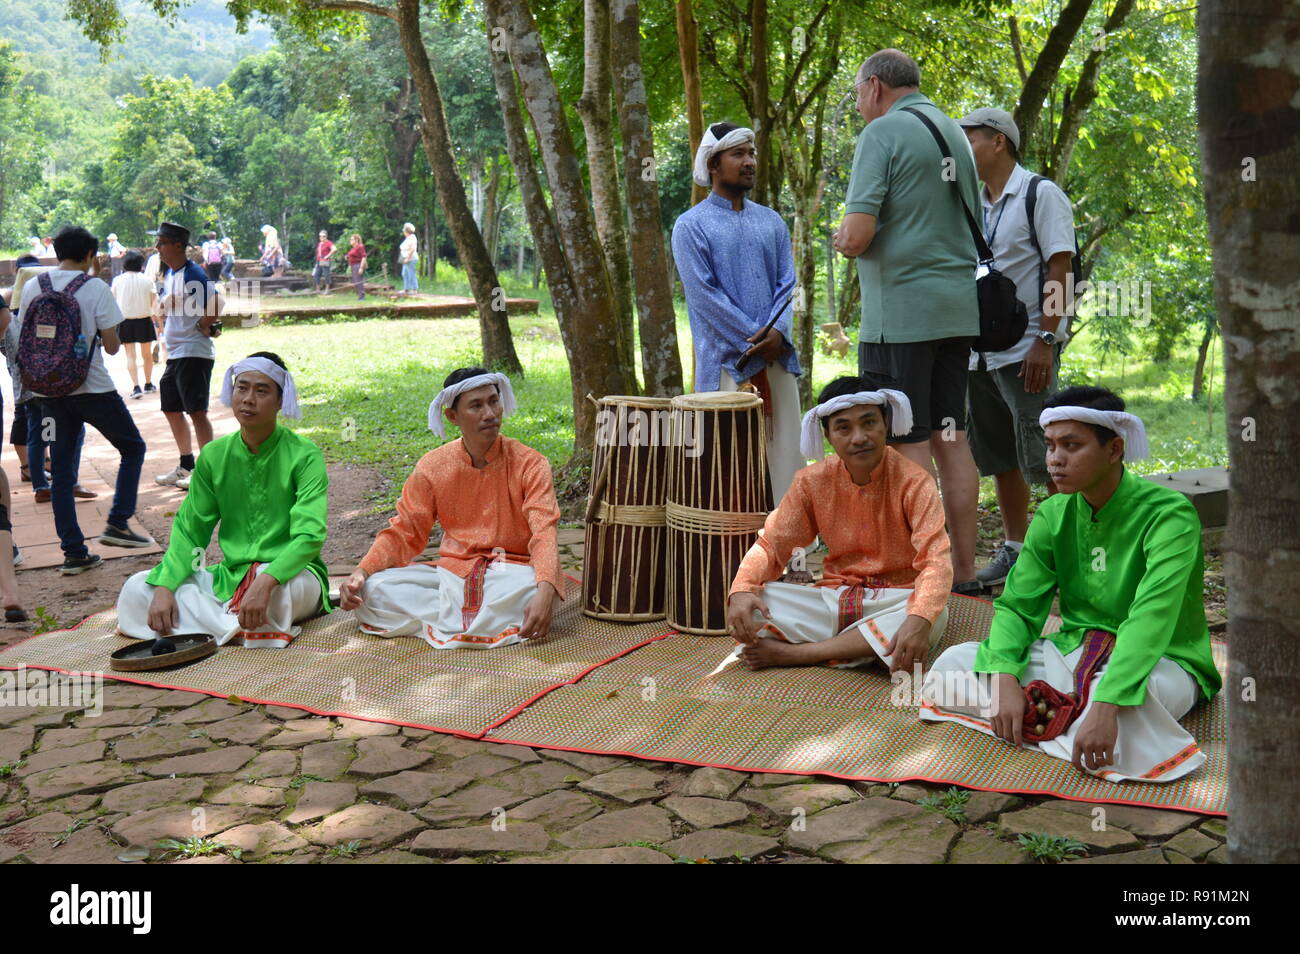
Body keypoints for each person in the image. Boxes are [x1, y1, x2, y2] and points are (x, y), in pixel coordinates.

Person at [920, 387, 1222, 783]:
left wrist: (1109, 702)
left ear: (1114, 450)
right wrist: (1005, 677)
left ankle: (1059, 718)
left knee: (1132, 706)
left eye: (1071, 446)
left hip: (1162, 660)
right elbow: (1019, 605)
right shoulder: (1053, 513)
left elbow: (1153, 616)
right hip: (1075, 651)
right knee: (953, 667)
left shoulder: (1170, 516)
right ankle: (1073, 725)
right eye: (1049, 446)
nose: (1055, 460)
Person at [833, 48, 983, 596]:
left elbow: (856, 234)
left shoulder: (883, 134)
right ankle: (964, 572)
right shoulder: (953, 132)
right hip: (958, 312)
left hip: (901, 317)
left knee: (908, 442)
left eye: (856, 95)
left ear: (874, 86)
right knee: (953, 438)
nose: (857, 107)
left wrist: (840, 238)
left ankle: (924, 576)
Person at [724, 374, 952, 673]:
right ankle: (861, 648)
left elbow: (936, 561)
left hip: (895, 598)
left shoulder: (915, 482)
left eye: (869, 422)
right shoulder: (811, 482)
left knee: (933, 615)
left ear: (886, 424)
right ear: (829, 436)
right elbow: (772, 545)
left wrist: (920, 618)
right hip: (834, 597)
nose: (859, 437)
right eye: (844, 428)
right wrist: (742, 589)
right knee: (754, 601)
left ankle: (798, 654)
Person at [339, 368, 563, 649]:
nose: (490, 413)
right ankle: (478, 624)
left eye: (494, 401)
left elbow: (544, 531)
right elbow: (405, 530)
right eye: (476, 406)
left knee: (534, 589)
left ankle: (446, 622)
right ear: (453, 417)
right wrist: (361, 572)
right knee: (373, 589)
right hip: (453, 573)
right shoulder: (433, 466)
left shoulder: (531, 463)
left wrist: (545, 591)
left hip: (512, 573)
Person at [117, 353, 329, 648]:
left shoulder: (305, 456)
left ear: (281, 400)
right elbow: (192, 529)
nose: (248, 399)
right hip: (231, 577)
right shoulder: (215, 455)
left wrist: (267, 582)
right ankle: (240, 627)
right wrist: (165, 584)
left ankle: (212, 625)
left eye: (262, 390)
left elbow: (310, 536)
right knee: (138, 588)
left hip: (291, 576)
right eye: (242, 388)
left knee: (277, 595)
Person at [958, 108, 1077, 588]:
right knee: (999, 456)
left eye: (968, 140)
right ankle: (1016, 549)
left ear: (998, 142)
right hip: (977, 354)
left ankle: (1065, 558)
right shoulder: (970, 201)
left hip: (1027, 351)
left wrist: (1046, 339)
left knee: (1046, 455)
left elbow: (1060, 268)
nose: (960, 151)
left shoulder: (1039, 194)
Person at [671, 121, 804, 505]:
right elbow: (703, 296)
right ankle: (732, 552)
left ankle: (790, 546)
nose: (749, 162)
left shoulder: (772, 221)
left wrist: (777, 333)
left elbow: (787, 284)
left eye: (752, 154)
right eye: (738, 154)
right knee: (727, 464)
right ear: (713, 164)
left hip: (777, 360)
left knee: (784, 456)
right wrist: (756, 339)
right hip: (726, 366)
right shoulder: (690, 226)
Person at [15, 226, 151, 574]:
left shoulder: (34, 286)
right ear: (90, 256)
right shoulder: (95, 288)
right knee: (133, 448)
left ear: (57, 252)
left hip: (47, 391)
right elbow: (111, 345)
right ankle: (118, 522)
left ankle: (74, 553)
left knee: (60, 472)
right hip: (92, 389)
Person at [5, 256, 96, 504]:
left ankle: (41, 485)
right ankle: (67, 480)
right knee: (67, 432)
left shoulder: (14, 319)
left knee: (40, 435)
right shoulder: (44, 315)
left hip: (27, 389)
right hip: (48, 389)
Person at [152, 221, 222, 491]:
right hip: (177, 353)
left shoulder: (193, 273)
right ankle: (186, 464)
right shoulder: (171, 274)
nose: (157, 247)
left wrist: (205, 325)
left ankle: (208, 473)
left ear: (178, 245)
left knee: (197, 412)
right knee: (171, 407)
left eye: (162, 242)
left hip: (193, 353)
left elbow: (215, 302)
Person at [111, 250, 158, 398]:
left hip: (125, 321)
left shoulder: (118, 280)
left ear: (125, 264)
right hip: (144, 320)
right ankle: (148, 384)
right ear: (141, 264)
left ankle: (136, 387)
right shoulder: (147, 280)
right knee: (147, 354)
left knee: (130, 355)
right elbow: (153, 301)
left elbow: (113, 300)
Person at [398, 223, 419, 295]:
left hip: (411, 259)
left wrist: (407, 258)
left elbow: (412, 249)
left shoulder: (412, 237)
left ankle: (414, 289)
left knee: (411, 274)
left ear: (406, 231)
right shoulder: (408, 238)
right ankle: (406, 289)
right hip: (406, 259)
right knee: (404, 273)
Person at [346, 234, 367, 301]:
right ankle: (360, 296)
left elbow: (363, 257)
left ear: (356, 240)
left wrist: (361, 267)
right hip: (353, 265)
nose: (350, 240)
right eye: (350, 239)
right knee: (356, 281)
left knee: (359, 281)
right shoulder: (353, 248)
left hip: (358, 265)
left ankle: (362, 297)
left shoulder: (360, 246)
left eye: (352, 239)